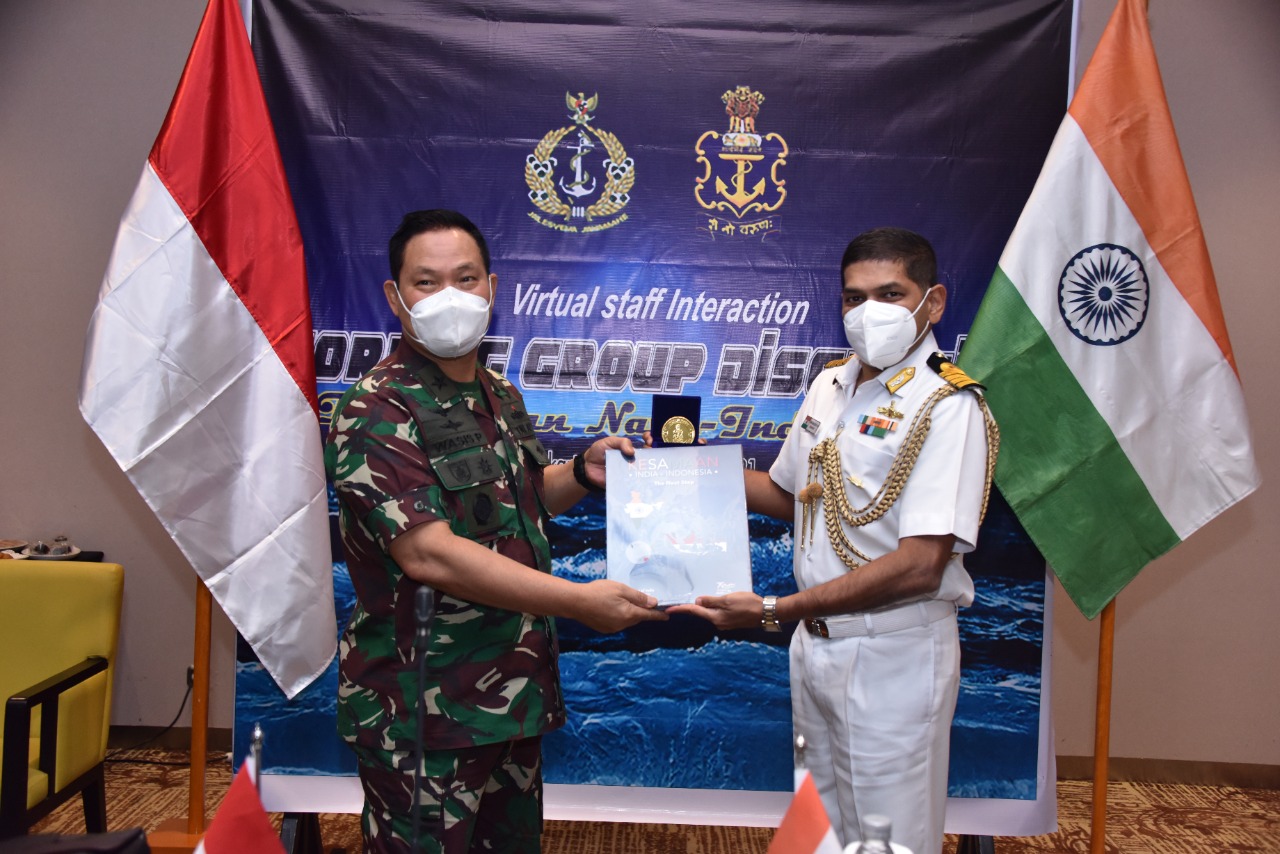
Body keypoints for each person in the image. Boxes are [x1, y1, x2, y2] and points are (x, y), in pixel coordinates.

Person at [324, 209, 667, 854]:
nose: (449, 296)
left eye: (465, 278)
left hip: (510, 697)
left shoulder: (499, 394)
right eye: (427, 282)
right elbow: (430, 553)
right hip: (424, 710)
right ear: (396, 297)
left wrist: (583, 473)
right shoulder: (375, 408)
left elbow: (520, 504)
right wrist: (579, 602)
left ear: (492, 287)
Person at [670, 227, 999, 854]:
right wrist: (683, 466)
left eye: (890, 294)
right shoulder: (832, 384)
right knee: (817, 831)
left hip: (892, 654)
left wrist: (774, 611)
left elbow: (921, 566)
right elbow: (788, 495)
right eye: (854, 297)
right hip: (814, 648)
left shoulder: (947, 406)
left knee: (886, 840)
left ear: (932, 303)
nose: (868, 311)